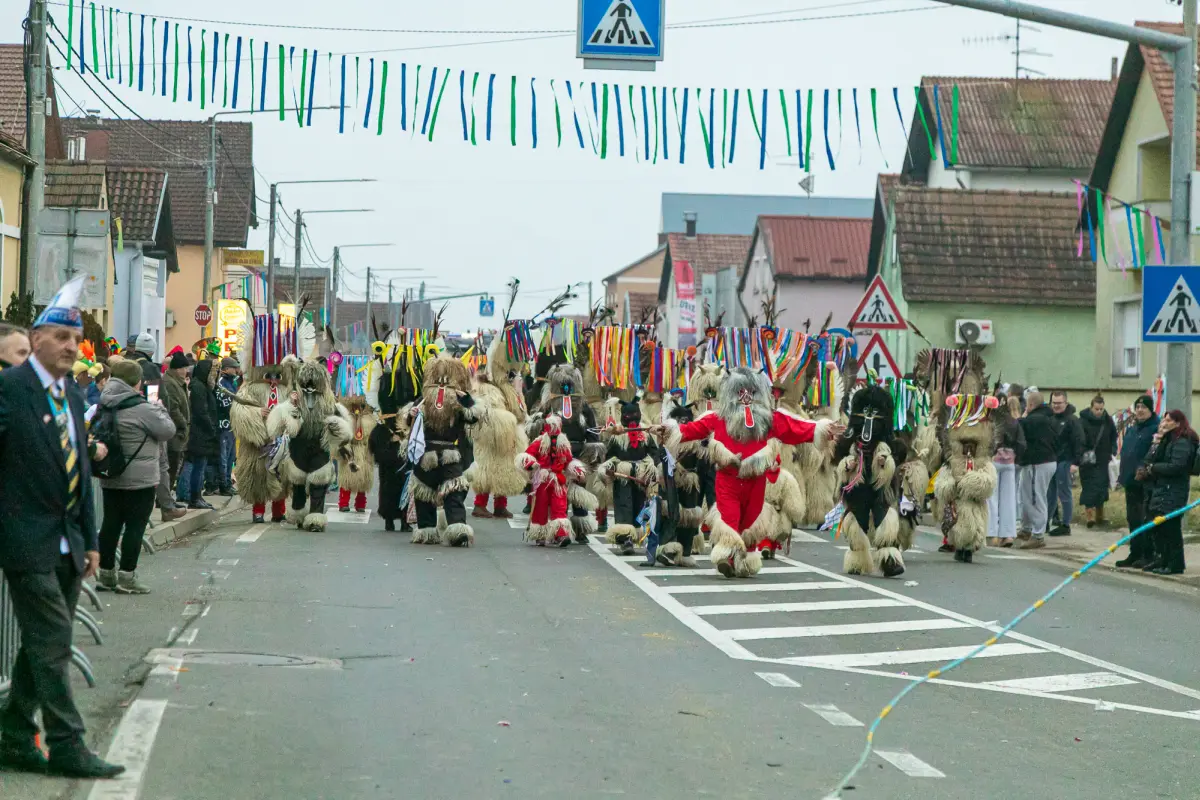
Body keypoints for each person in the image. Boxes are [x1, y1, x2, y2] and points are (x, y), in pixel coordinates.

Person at [0, 276, 125, 779]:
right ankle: (68, 745)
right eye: (61, 337)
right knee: (53, 638)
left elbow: (80, 472)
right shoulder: (11, 390)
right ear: (36, 340)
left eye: (76, 339)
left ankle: (10, 733)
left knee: (42, 644)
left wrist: (91, 541)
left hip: (69, 541)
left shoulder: (72, 396)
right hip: (23, 540)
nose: (72, 346)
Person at [95, 360, 176, 594]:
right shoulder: (143, 407)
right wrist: (159, 407)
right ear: (137, 381)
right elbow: (167, 430)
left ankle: (106, 574)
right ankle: (127, 576)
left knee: (110, 524)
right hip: (140, 479)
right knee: (134, 527)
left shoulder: (105, 402)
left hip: (111, 473)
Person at [1139, 409, 1195, 575]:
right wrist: (1157, 441)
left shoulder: (1182, 442)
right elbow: (1150, 459)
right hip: (1162, 489)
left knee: (1171, 529)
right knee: (1160, 529)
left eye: (1169, 421)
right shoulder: (1168, 440)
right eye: (1164, 420)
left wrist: (1154, 468)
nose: (1164, 423)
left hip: (1174, 490)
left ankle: (1175, 564)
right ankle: (1164, 560)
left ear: (1178, 423)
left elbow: (1177, 466)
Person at [1115, 396, 1160, 568]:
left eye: (1144, 407)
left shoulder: (1155, 428)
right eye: (1138, 406)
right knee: (1133, 519)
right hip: (1130, 481)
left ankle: (1148, 554)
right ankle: (1135, 553)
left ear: (1150, 410)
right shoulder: (1133, 429)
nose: (1140, 410)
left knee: (1145, 520)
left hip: (1146, 482)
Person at [1018, 391, 1058, 550]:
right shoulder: (1049, 418)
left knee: (1035, 497)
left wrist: (1020, 416)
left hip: (1038, 462)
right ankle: (1026, 528)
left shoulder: (1033, 420)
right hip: (1048, 461)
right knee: (1027, 494)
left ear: (1031, 405)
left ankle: (1038, 535)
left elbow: (1019, 426)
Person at [178, 358, 219, 510]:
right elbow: (201, 411)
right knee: (198, 466)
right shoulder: (198, 387)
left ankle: (197, 496)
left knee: (199, 466)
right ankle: (194, 497)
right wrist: (211, 428)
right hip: (199, 433)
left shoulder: (202, 386)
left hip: (203, 433)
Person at [987, 393, 1026, 548]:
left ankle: (992, 532)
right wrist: (1015, 456)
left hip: (994, 460)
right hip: (1010, 462)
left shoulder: (992, 421)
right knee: (1009, 499)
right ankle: (1008, 534)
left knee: (991, 498)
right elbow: (1022, 444)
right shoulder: (1013, 422)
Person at [1046, 391, 1084, 536]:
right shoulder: (1049, 419)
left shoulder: (1072, 420)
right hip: (1051, 461)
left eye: (1059, 403)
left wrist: (1076, 462)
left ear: (1065, 403)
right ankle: (1045, 523)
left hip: (1066, 461)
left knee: (1064, 493)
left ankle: (1066, 524)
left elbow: (1079, 441)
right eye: (1054, 403)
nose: (1056, 406)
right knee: (1050, 494)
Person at [1078, 395, 1117, 528]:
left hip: (1103, 459)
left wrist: (1113, 449)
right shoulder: (1082, 421)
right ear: (1091, 407)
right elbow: (1078, 438)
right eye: (1096, 409)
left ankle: (1100, 515)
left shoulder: (1108, 420)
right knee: (1089, 488)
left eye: (1101, 409)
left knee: (1101, 488)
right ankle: (1090, 517)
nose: (1099, 411)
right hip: (1087, 460)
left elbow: (1113, 435)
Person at [206, 357, 239, 496]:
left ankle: (227, 482)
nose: (236, 370)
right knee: (223, 458)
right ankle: (223, 484)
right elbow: (226, 404)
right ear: (226, 369)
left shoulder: (232, 383)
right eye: (233, 367)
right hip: (222, 426)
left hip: (231, 426)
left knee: (231, 457)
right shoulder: (221, 383)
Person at [161, 352, 191, 491]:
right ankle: (164, 499)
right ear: (177, 369)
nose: (187, 371)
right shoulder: (169, 383)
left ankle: (166, 497)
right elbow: (173, 408)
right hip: (174, 432)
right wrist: (183, 425)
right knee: (170, 467)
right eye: (184, 368)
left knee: (174, 467)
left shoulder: (177, 382)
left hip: (178, 431)